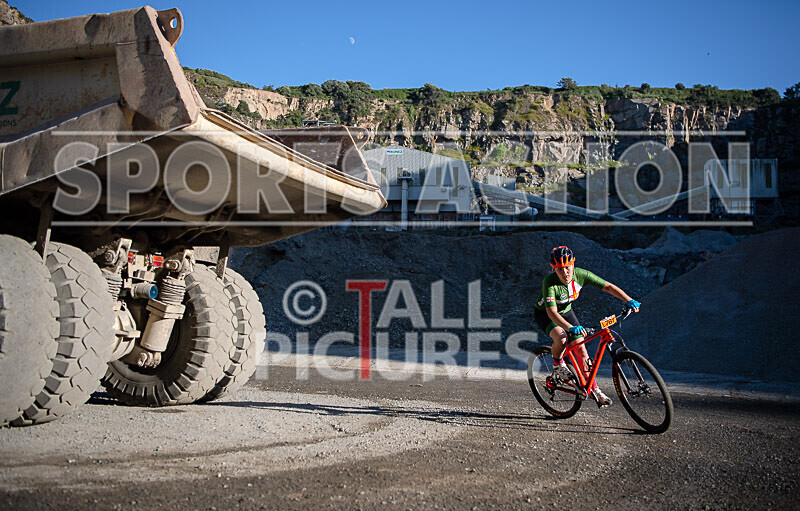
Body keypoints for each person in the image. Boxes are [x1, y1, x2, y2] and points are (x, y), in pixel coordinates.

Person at [533, 246, 640, 407]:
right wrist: (570, 328)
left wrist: (628, 299)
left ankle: (594, 389)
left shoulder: (582, 275)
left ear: (573, 265)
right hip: (546, 314)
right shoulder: (549, 282)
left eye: (567, 267)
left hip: (567, 312)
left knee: (581, 348)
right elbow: (552, 313)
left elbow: (608, 287)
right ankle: (558, 364)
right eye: (560, 269)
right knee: (561, 338)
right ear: (553, 268)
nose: (565, 272)